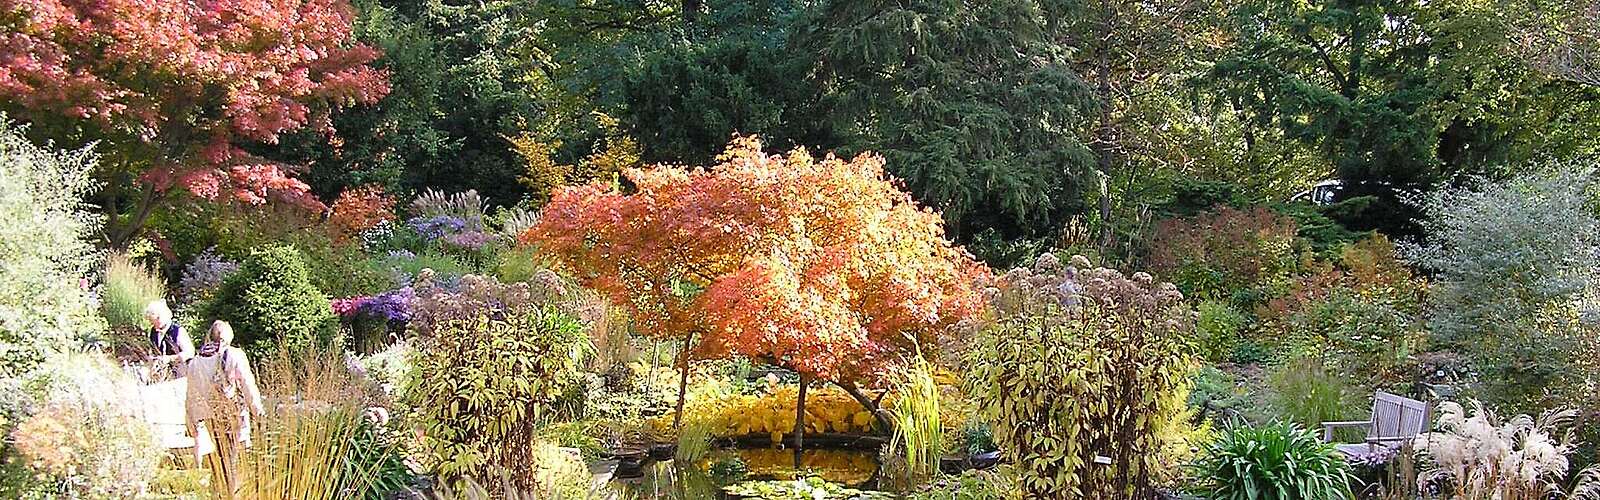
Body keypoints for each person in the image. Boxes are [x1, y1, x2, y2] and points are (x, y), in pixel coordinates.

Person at [185, 321, 264, 499]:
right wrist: (257, 410)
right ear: (228, 336)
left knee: (221, 455)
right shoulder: (235, 355)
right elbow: (247, 384)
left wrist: (192, 422)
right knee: (234, 457)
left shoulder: (196, 361)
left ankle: (219, 492)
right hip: (233, 414)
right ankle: (232, 493)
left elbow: (191, 394)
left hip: (211, 416)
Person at [145, 300, 194, 379]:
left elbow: (190, 353)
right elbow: (153, 352)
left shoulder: (178, 331)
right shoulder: (153, 332)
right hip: (161, 375)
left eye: (155, 320)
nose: (153, 323)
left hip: (180, 375)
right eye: (151, 321)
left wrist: (170, 358)